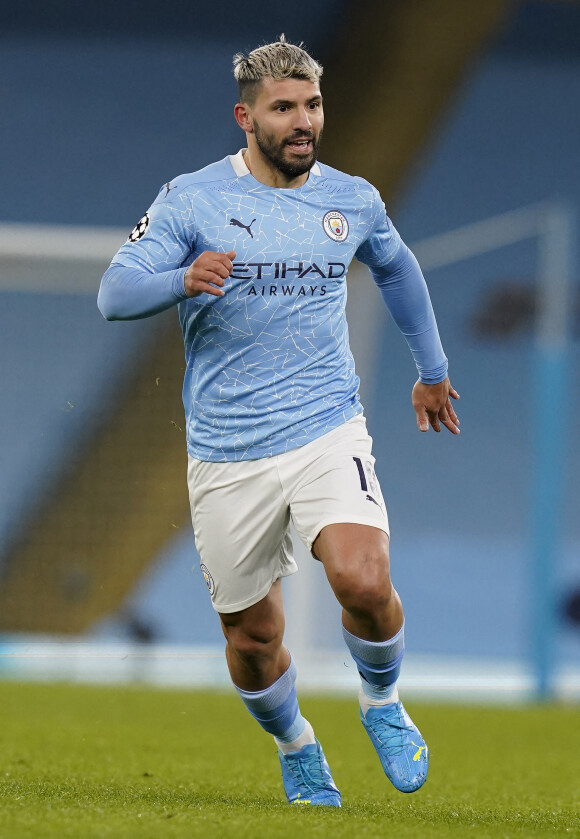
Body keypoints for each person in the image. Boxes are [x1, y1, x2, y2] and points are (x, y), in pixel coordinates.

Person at [98, 36, 459, 807]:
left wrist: (432, 370)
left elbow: (394, 265)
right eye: (285, 108)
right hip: (228, 450)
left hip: (327, 425)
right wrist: (180, 277)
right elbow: (114, 293)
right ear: (246, 116)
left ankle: (382, 701)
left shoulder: (350, 198)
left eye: (313, 105)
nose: (304, 121)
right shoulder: (192, 200)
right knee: (254, 643)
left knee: (363, 577)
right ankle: (296, 744)